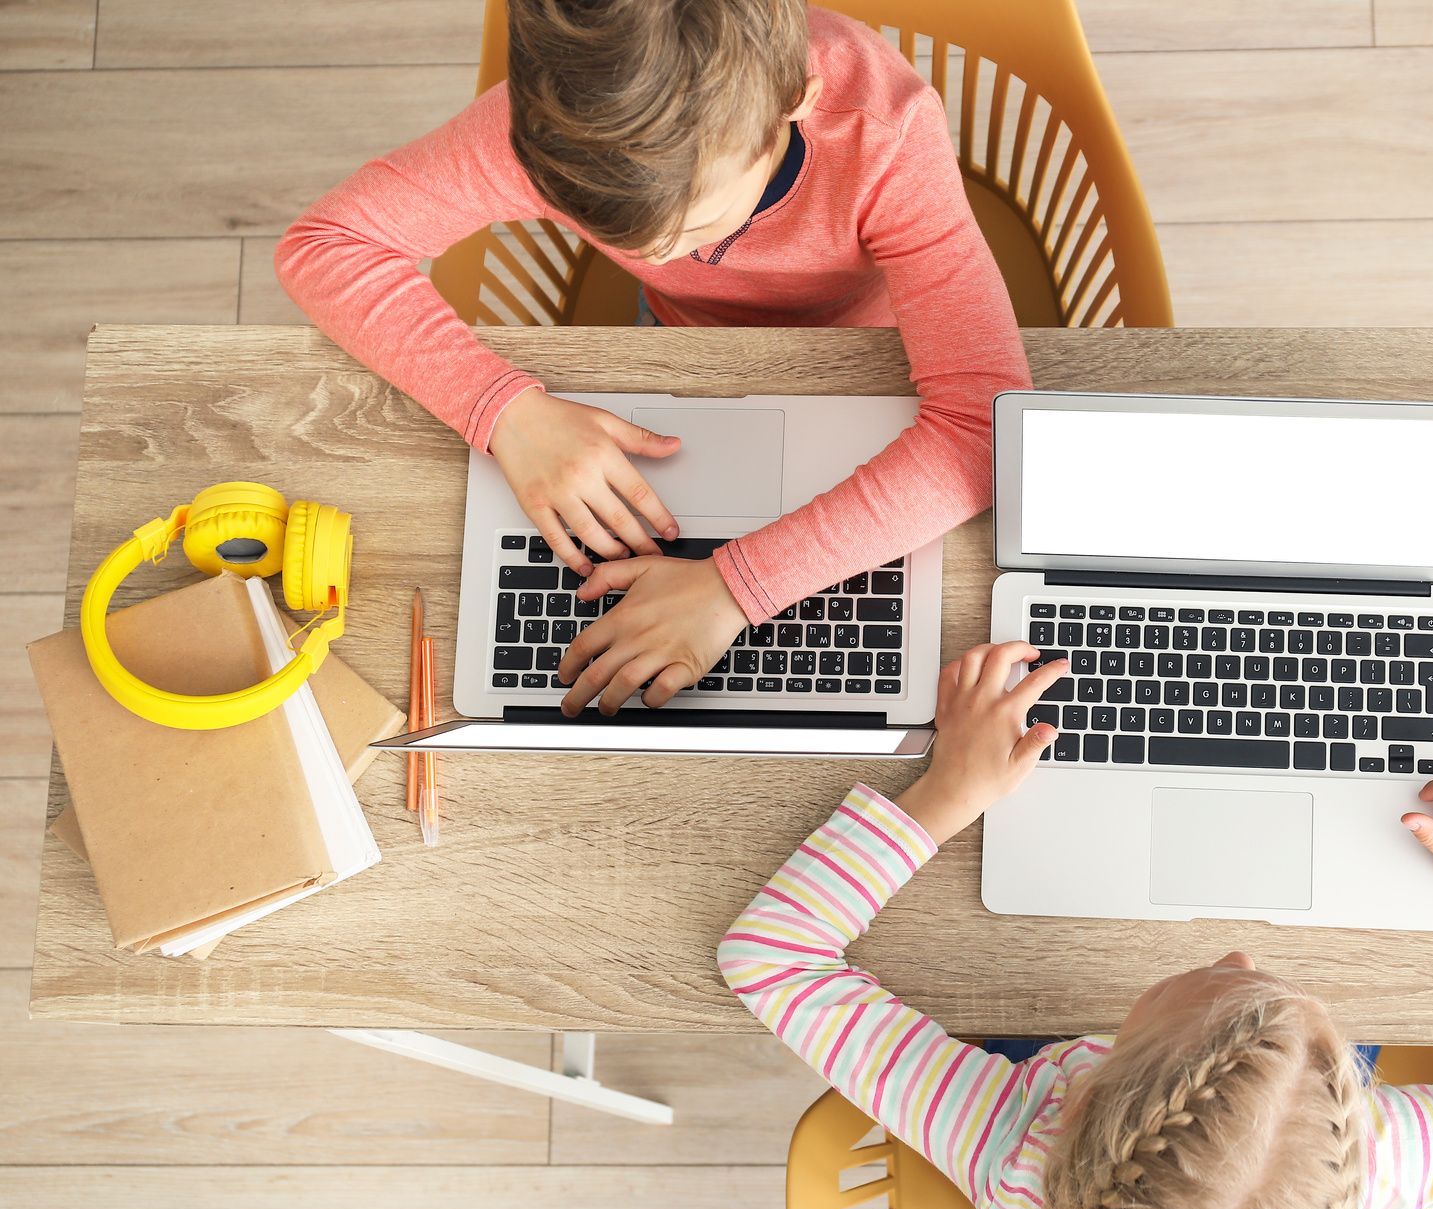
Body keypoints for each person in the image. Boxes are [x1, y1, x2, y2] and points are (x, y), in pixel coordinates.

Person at [719, 641, 1433, 1209]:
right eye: (1303, 1032)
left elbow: (769, 956)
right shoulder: (1373, 1159)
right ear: (1349, 1123)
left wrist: (945, 794)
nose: (1240, 959)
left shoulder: (1015, 1142)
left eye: (1206, 989)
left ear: (1080, 1089)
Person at [276, 0, 1029, 712]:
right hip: (680, 344)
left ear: (794, 105)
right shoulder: (559, 122)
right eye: (614, 230)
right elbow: (325, 245)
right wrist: (502, 410)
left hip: (870, 354)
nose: (658, 253)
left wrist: (737, 587)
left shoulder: (885, 136)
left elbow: (983, 429)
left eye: (693, 224)